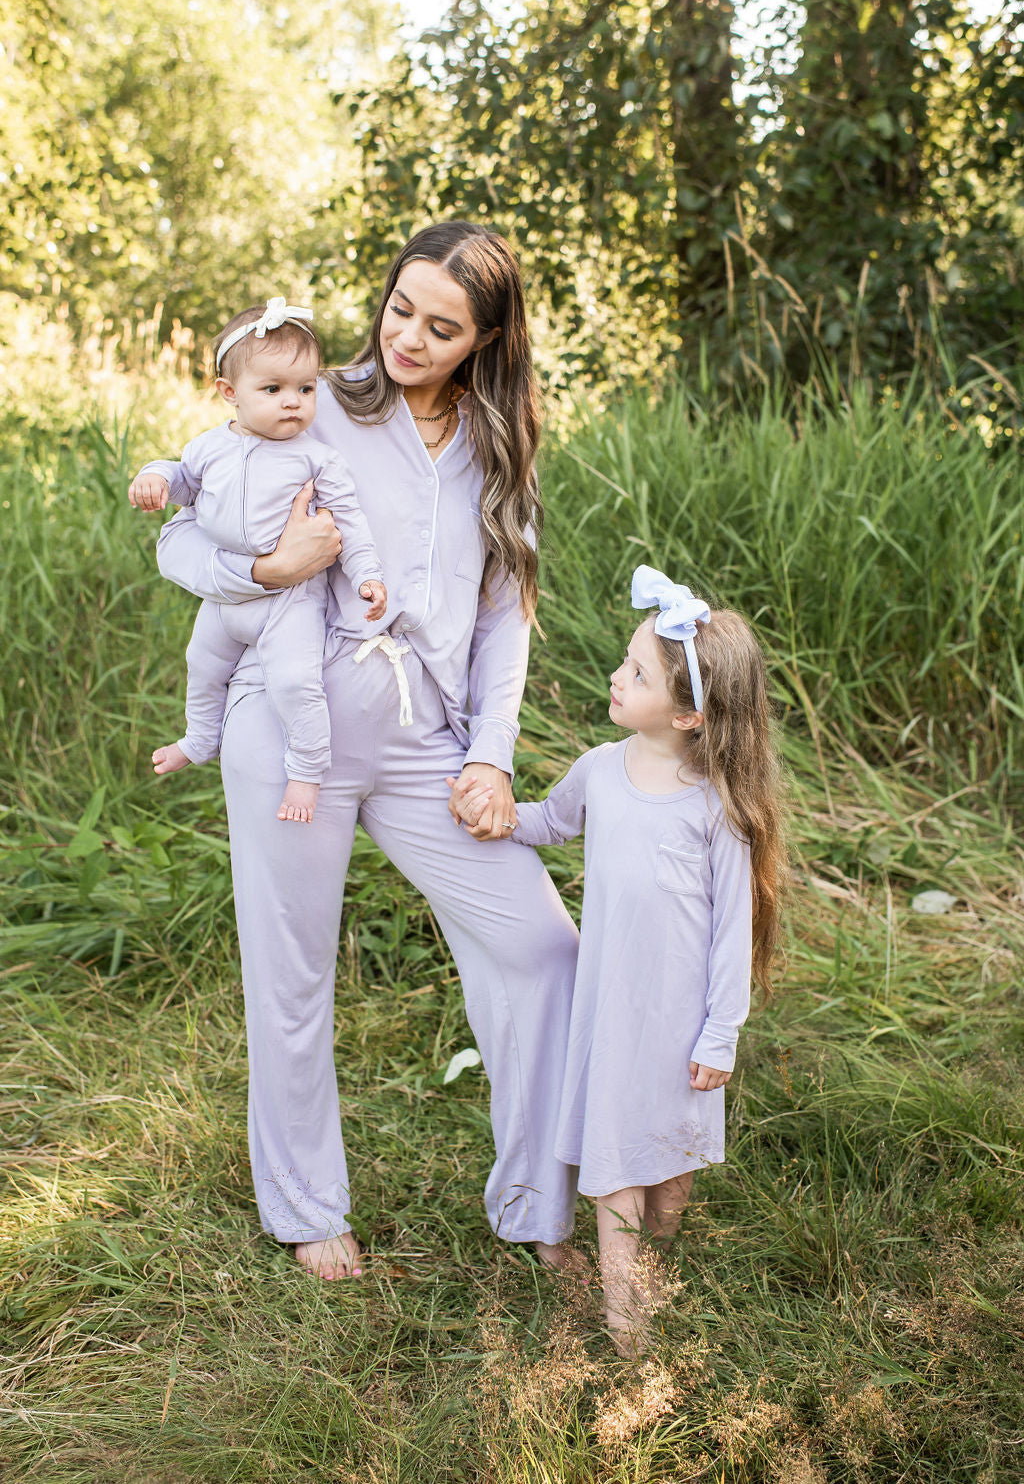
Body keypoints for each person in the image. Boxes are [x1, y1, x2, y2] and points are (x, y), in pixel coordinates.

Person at [152, 222, 581, 1280]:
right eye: (400, 309)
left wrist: (490, 755)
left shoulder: (499, 447)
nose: (409, 339)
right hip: (288, 720)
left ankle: (537, 1202)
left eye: (442, 328)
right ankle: (307, 1206)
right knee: (292, 967)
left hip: (424, 737)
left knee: (540, 946)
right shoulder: (314, 402)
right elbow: (178, 535)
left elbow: (504, 618)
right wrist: (267, 568)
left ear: (486, 340)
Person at [451, 565, 784, 1353]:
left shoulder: (716, 809)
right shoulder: (602, 768)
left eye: (636, 673)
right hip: (610, 1011)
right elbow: (550, 821)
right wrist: (499, 816)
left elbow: (730, 932)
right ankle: (624, 1320)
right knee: (616, 1164)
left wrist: (720, 1033)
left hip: (680, 1023)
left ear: (689, 715)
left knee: (669, 1181)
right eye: (626, 662)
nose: (616, 676)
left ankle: (653, 1262)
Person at [128, 299, 387, 825]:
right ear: (230, 393)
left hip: (290, 601)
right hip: (226, 598)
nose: (293, 402)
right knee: (202, 665)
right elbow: (182, 480)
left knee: (295, 682)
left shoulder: (317, 458)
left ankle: (307, 771)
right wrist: (155, 476)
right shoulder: (208, 448)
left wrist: (368, 575)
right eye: (273, 389)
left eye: (306, 389)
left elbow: (351, 523)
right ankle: (199, 739)